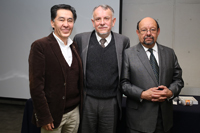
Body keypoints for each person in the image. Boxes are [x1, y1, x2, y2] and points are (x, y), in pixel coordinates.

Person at [121, 17, 184, 133]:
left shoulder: (169, 53)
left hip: (164, 120)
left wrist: (170, 92)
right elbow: (124, 84)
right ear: (138, 33)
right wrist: (142, 94)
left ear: (158, 31)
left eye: (152, 29)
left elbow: (178, 80)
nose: (148, 33)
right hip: (138, 120)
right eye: (144, 30)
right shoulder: (128, 54)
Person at [73, 4, 130, 133]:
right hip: (88, 100)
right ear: (93, 22)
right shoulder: (80, 39)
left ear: (113, 21)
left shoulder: (123, 41)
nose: (102, 23)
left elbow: (126, 70)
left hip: (112, 102)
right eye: (98, 19)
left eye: (106, 18)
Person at [29, 4, 83, 133]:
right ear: (52, 23)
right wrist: (44, 116)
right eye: (61, 19)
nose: (66, 24)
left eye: (70, 20)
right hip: (52, 115)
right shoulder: (40, 46)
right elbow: (36, 86)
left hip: (74, 113)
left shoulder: (74, 46)